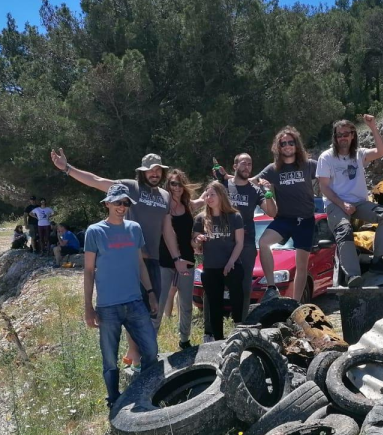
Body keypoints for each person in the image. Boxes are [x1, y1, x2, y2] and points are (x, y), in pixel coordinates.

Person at [51, 149, 191, 361]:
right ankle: (135, 357)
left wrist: (176, 258)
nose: (154, 173)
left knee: (152, 309)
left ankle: (140, 355)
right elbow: (97, 181)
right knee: (134, 309)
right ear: (142, 172)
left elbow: (167, 230)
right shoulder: (130, 187)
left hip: (154, 260)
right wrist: (67, 168)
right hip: (131, 259)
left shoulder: (164, 196)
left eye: (157, 170)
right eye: (150, 170)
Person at [84, 183, 159, 418]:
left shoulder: (134, 229)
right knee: (110, 358)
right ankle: (114, 402)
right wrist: (88, 307)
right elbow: (89, 271)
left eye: (126, 203)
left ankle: (145, 393)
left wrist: (150, 292)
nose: (122, 207)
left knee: (151, 350)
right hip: (108, 307)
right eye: (118, 202)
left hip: (135, 302)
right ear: (107, 204)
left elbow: (140, 263)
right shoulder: (95, 231)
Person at [316, 114, 383, 287]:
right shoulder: (326, 157)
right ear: (335, 137)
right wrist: (342, 204)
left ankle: (379, 261)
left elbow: (381, 152)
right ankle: (353, 275)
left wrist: (373, 127)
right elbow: (324, 187)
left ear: (352, 135)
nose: (342, 138)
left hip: (359, 203)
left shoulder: (359, 154)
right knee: (344, 229)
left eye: (346, 134)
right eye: (339, 135)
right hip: (335, 204)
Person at [209, 153, 277, 320]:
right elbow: (208, 201)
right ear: (235, 166)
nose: (247, 167)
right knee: (215, 284)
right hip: (223, 242)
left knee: (245, 287)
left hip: (246, 244)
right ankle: (212, 328)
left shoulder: (255, 191)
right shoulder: (223, 185)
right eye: (243, 163)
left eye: (250, 164)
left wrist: (268, 193)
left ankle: (242, 324)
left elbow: (272, 212)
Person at [256, 127, 319, 302]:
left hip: (305, 220)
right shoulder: (273, 169)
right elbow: (250, 181)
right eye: (283, 143)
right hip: (284, 219)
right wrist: (228, 178)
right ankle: (271, 287)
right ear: (278, 147)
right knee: (263, 242)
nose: (287, 146)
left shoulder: (309, 165)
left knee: (301, 265)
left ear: (296, 145)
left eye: (291, 142)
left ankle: (296, 303)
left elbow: (330, 173)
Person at [155, 169, 203, 350]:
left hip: (187, 260)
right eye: (173, 184)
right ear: (167, 186)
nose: (176, 187)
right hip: (165, 261)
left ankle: (184, 340)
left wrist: (220, 182)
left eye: (180, 184)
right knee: (159, 304)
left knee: (186, 304)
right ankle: (150, 343)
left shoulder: (188, 205)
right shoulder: (162, 207)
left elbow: (203, 200)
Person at [193, 182, 245, 341]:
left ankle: (239, 330)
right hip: (211, 267)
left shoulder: (235, 216)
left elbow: (239, 243)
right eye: (207, 195)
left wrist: (230, 263)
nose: (209, 198)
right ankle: (218, 339)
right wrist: (197, 240)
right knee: (214, 305)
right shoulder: (201, 218)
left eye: (212, 194)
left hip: (232, 264)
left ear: (221, 195)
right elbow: (194, 243)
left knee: (237, 298)